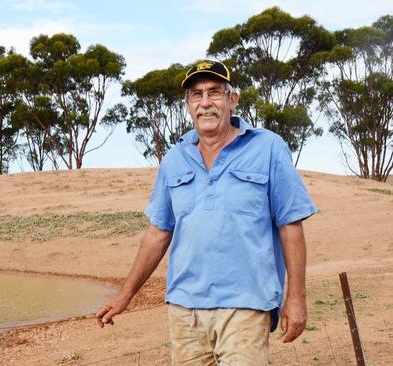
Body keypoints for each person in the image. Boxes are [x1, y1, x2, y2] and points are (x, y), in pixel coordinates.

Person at [95, 60, 317, 365]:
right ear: (188, 105)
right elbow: (158, 233)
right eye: (197, 95)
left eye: (215, 92)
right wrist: (125, 295)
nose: (206, 102)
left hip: (247, 306)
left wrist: (296, 298)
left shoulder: (267, 148)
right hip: (185, 310)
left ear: (232, 99)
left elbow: (290, 225)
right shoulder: (175, 159)